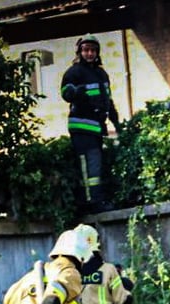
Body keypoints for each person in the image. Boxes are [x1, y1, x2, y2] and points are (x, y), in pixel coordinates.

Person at [60, 34, 119, 213]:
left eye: (93, 50)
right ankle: (90, 202)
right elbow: (65, 93)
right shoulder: (74, 72)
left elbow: (108, 100)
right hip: (81, 127)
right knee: (89, 166)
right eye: (86, 50)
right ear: (80, 52)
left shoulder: (102, 74)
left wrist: (116, 122)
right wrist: (77, 91)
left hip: (95, 128)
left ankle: (96, 199)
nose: (90, 53)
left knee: (96, 166)